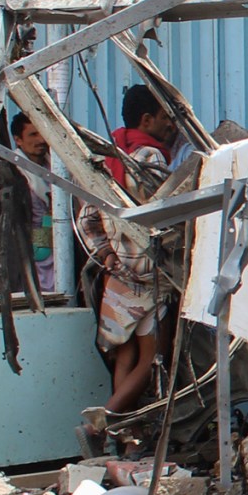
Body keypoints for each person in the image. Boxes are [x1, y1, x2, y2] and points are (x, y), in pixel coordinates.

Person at [75, 86, 178, 412]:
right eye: (165, 118)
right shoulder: (151, 156)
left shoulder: (111, 156)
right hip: (150, 274)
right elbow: (165, 214)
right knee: (152, 359)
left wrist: (106, 254)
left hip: (117, 274)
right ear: (147, 120)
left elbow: (87, 219)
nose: (171, 126)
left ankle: (121, 436)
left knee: (125, 354)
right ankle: (107, 422)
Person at [0, 112, 57, 295]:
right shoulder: (9, 174)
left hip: (56, 256)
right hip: (26, 260)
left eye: (42, 133)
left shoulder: (58, 170)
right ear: (18, 140)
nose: (41, 140)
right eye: (33, 135)